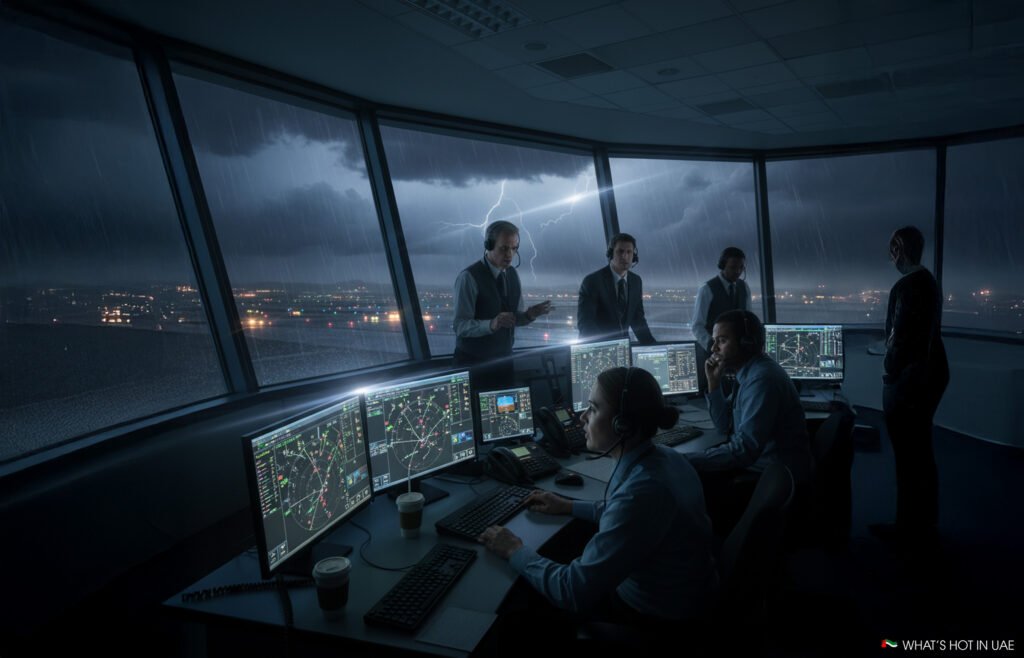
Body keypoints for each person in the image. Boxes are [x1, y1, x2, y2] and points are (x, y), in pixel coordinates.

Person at [478, 366, 717, 624]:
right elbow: (628, 517)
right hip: (687, 592)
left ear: (622, 425)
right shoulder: (667, 459)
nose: (582, 417)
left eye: (593, 408)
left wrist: (514, 550)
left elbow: (572, 591)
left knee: (525, 608)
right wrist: (569, 506)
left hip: (653, 616)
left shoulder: (642, 494)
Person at [685, 310, 813, 531]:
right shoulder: (749, 373)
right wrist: (713, 384)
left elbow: (745, 450)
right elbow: (724, 425)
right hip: (765, 466)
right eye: (714, 341)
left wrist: (686, 460)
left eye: (722, 341)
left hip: (772, 476)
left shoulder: (761, 380)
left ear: (746, 343)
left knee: (690, 482)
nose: (713, 348)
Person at [871, 226, 949, 545]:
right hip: (931, 374)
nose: (891, 258)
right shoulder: (929, 282)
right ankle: (923, 525)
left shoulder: (906, 287)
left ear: (899, 250)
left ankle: (907, 529)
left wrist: (888, 371)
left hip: (910, 382)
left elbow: (900, 340)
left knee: (907, 456)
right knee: (920, 454)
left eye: (893, 251)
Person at [453, 221, 552, 387]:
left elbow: (513, 319)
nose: (510, 254)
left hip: (504, 361)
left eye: (514, 249)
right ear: (489, 245)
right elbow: (460, 326)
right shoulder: (468, 277)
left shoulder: (512, 275)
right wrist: (491, 324)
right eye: (504, 248)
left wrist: (529, 315)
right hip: (473, 364)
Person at [577, 233, 655, 344]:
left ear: (634, 255)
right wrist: (608, 348)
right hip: (597, 348)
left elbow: (638, 320)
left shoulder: (636, 281)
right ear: (611, 254)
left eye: (629, 252)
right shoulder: (592, 281)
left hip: (623, 348)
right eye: (620, 251)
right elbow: (586, 324)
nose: (625, 256)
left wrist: (653, 346)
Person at [692, 247, 751, 388]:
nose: (737, 272)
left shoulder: (744, 288)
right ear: (722, 265)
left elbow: (749, 320)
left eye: (741, 268)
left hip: (738, 357)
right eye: (733, 267)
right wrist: (714, 347)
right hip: (712, 357)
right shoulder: (706, 289)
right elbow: (697, 326)